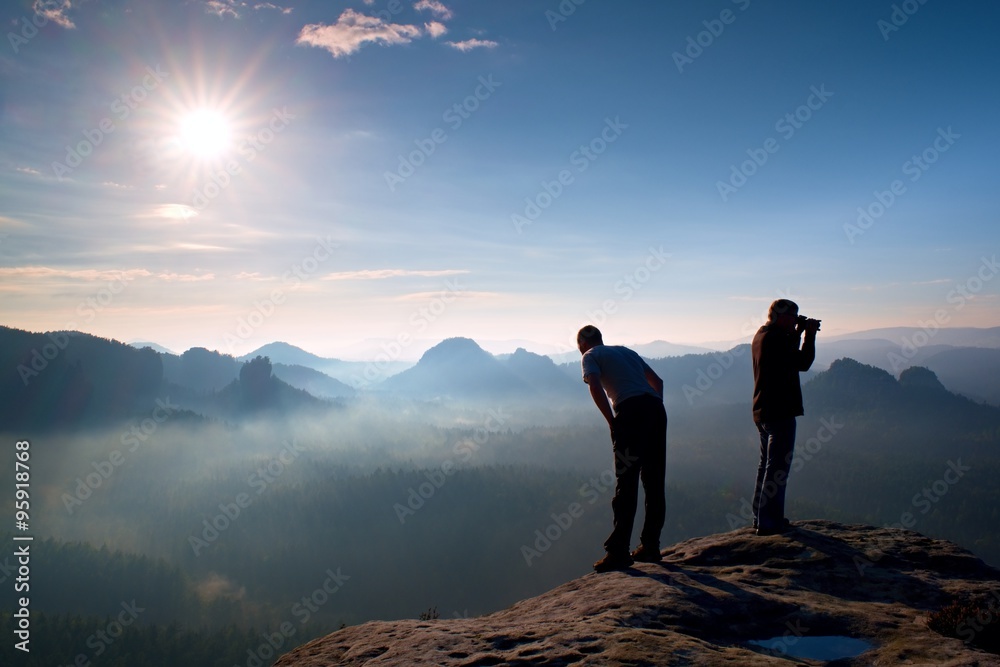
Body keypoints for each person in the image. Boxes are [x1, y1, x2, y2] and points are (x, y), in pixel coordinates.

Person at [577, 325, 667, 572]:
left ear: (582, 345)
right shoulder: (626, 352)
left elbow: (595, 386)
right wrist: (654, 408)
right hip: (655, 411)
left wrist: (612, 422)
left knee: (626, 483)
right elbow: (657, 382)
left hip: (630, 413)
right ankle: (650, 546)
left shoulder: (590, 356)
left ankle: (619, 552)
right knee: (654, 480)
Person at [750, 299, 819, 536]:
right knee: (777, 468)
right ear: (781, 317)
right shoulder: (776, 339)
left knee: (765, 466)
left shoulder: (762, 335)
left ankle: (761, 517)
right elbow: (803, 362)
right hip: (780, 412)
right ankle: (769, 521)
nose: (797, 320)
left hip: (763, 411)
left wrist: (797, 333)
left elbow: (785, 357)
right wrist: (809, 335)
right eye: (794, 316)